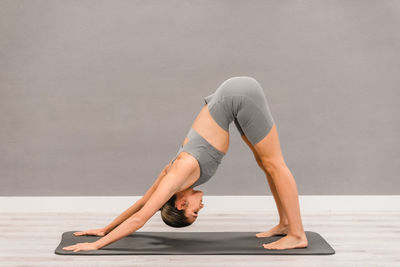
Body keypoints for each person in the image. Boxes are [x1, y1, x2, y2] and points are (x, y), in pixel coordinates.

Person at [62, 76, 308, 252]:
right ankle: (286, 223)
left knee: (275, 164)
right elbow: (141, 204)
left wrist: (96, 244)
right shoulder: (171, 176)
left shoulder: (178, 174)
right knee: (265, 163)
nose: (202, 206)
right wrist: (105, 228)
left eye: (194, 211)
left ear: (180, 203)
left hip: (239, 95)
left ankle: (297, 234)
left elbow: (140, 218)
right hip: (232, 99)